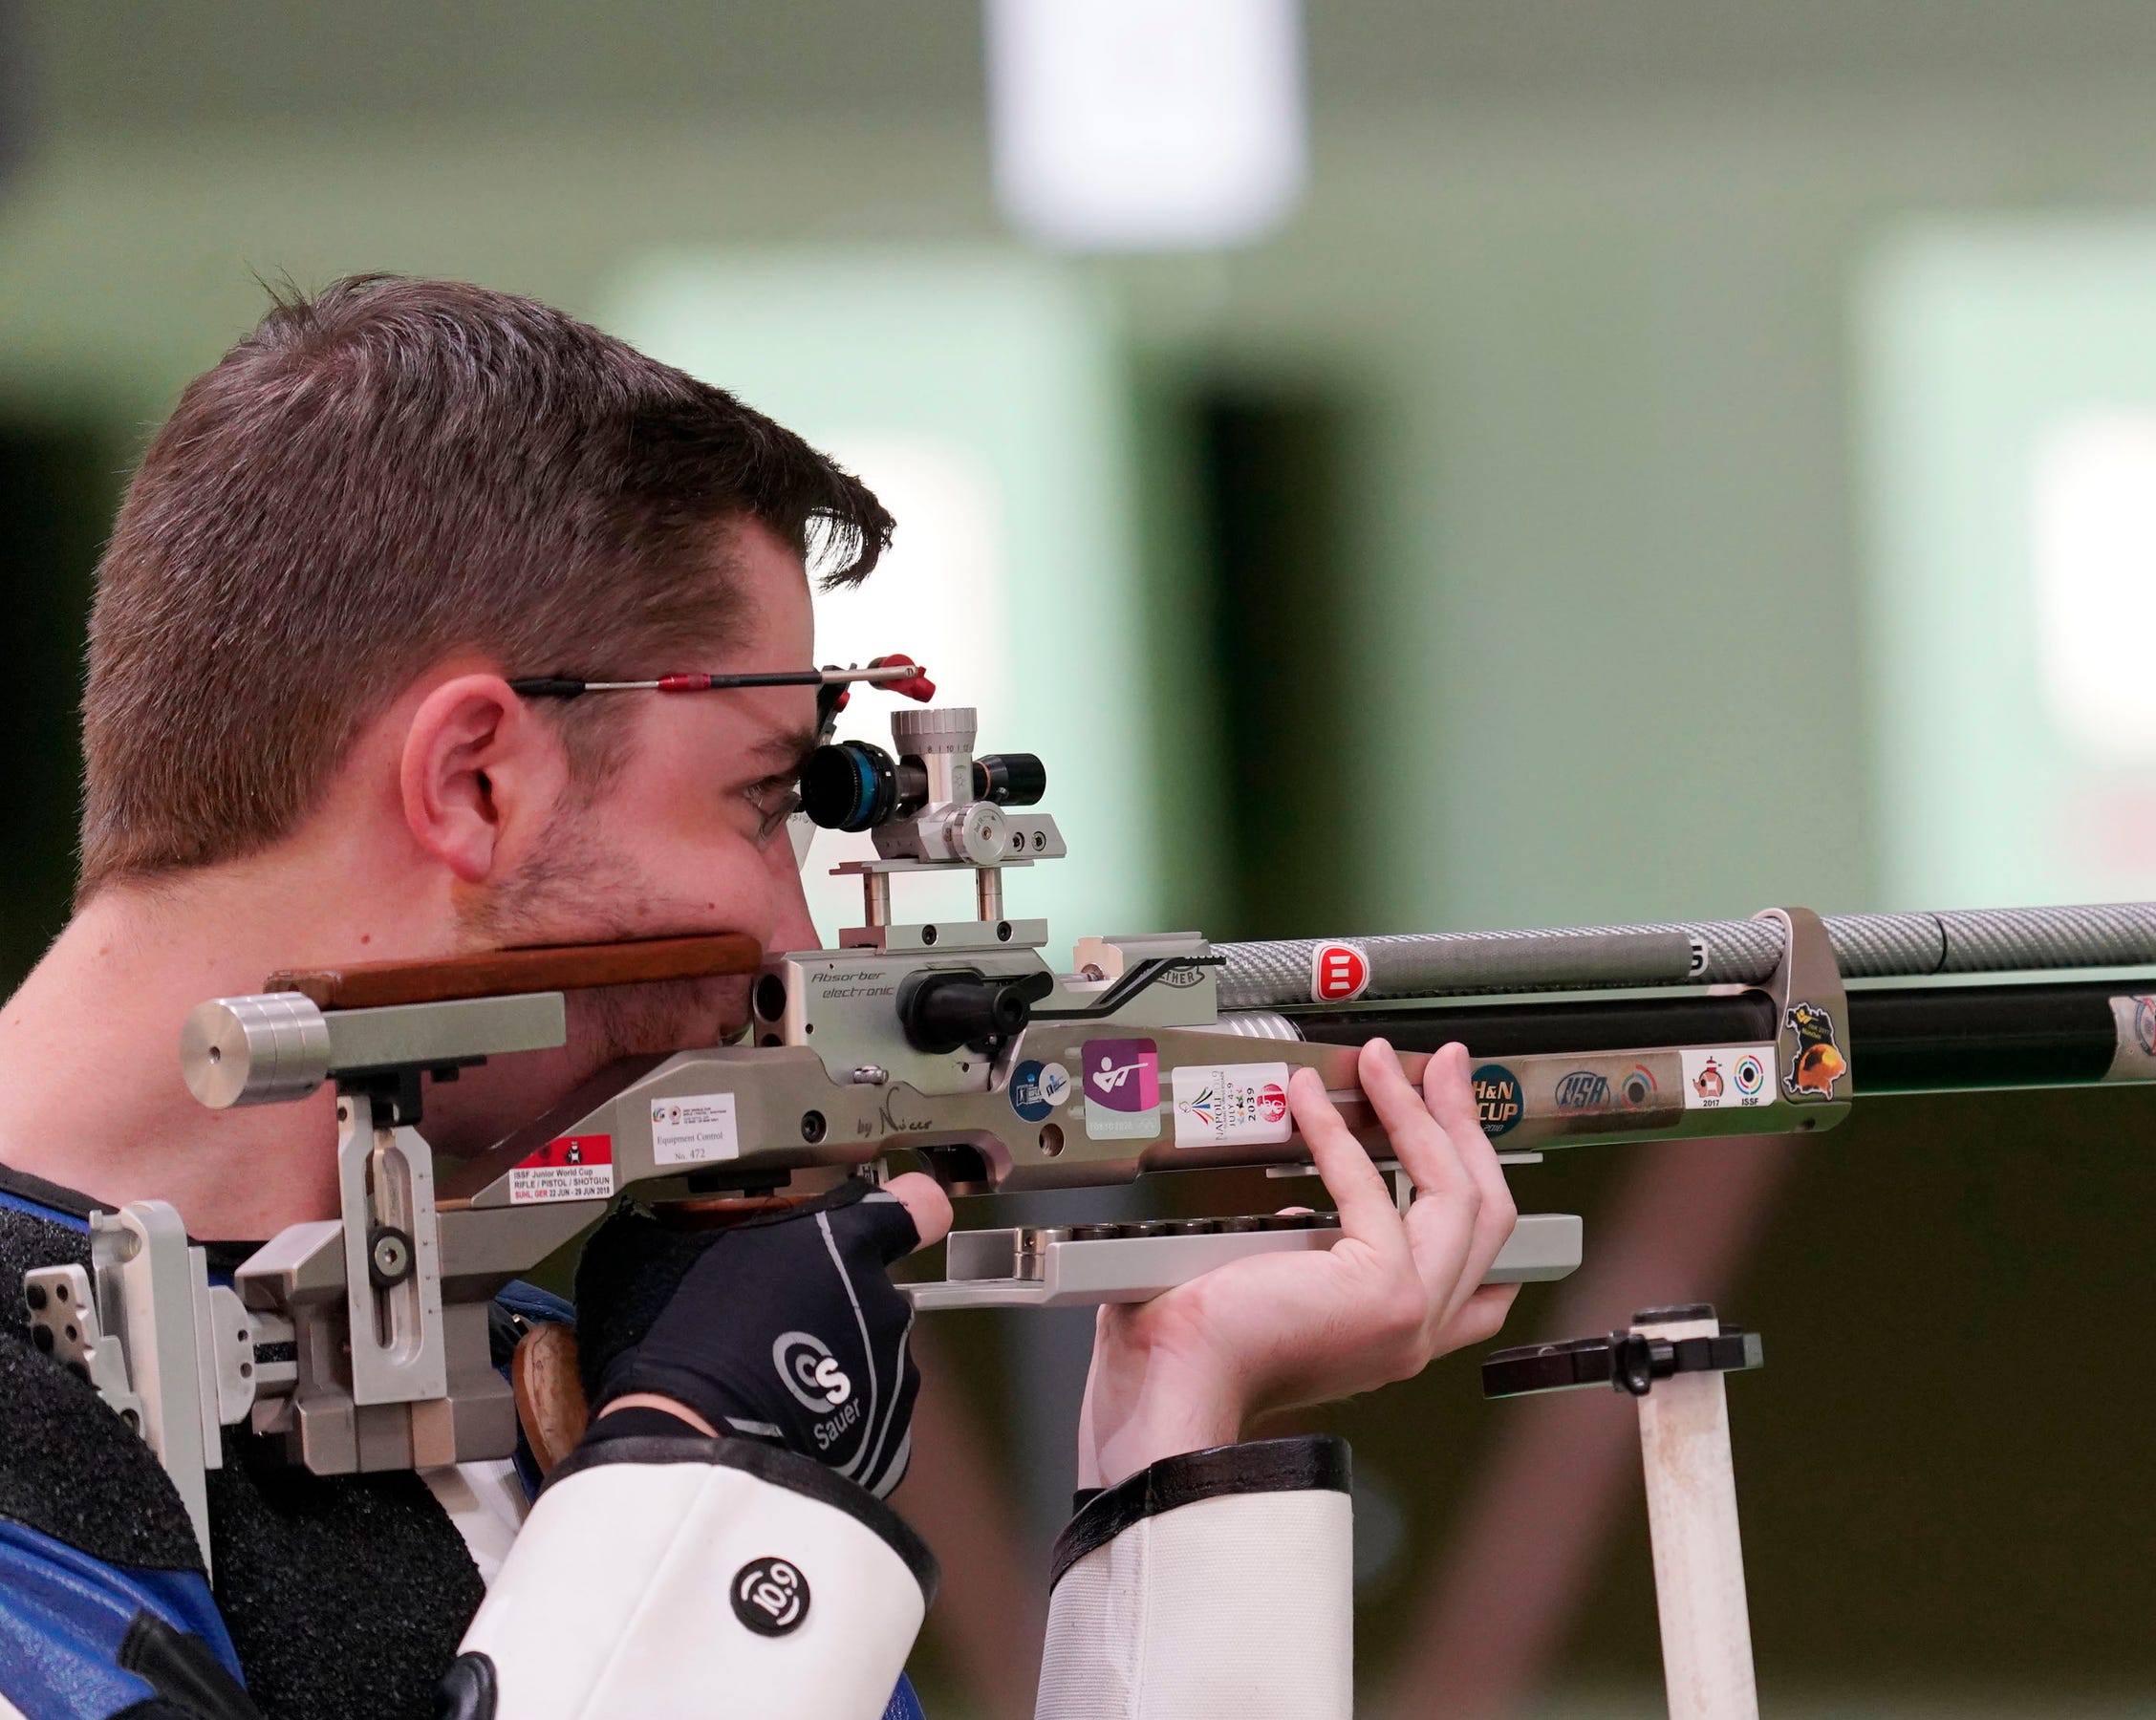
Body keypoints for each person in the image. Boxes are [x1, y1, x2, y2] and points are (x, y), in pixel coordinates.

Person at [0, 275, 1519, 1720]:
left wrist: (1173, 1439)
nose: (791, 933)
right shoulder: (648, 1445)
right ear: (475, 779)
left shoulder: (530, 1393)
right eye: (757, 803)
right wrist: (700, 1473)